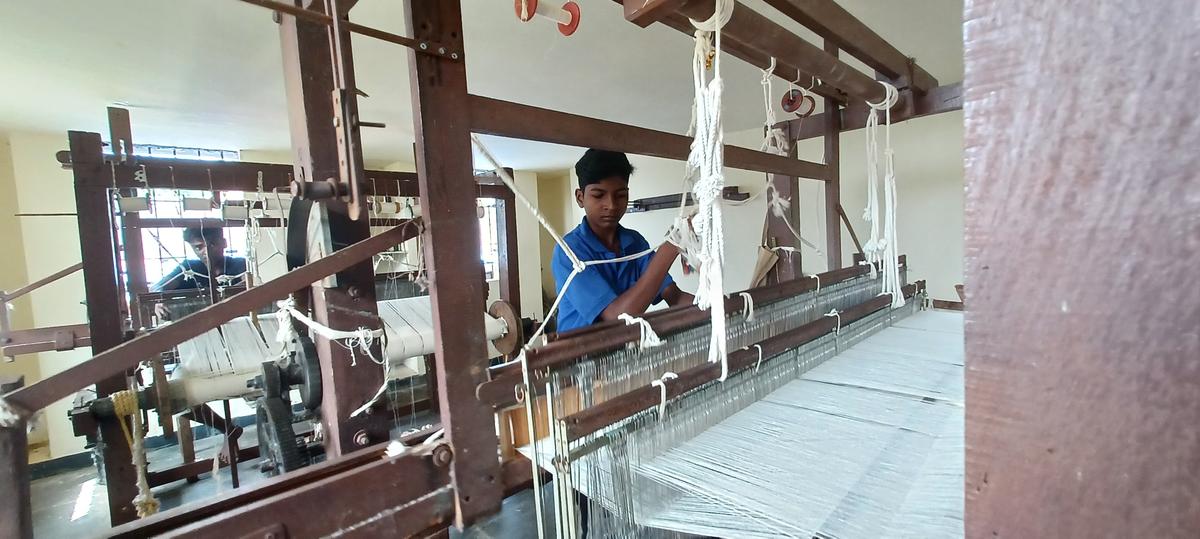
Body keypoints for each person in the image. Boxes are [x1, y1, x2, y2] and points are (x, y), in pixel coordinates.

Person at [552, 149, 695, 333]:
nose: (611, 205)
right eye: (598, 195)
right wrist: (670, 247)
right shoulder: (568, 251)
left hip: (626, 353)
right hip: (579, 358)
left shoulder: (634, 243)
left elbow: (674, 297)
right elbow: (617, 318)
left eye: (620, 195)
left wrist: (722, 307)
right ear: (580, 197)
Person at [152, 226, 247, 292]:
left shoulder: (241, 265)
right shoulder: (188, 269)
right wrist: (160, 299)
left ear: (224, 243)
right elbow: (159, 287)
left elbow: (251, 282)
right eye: (199, 247)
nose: (206, 251)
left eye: (212, 244)